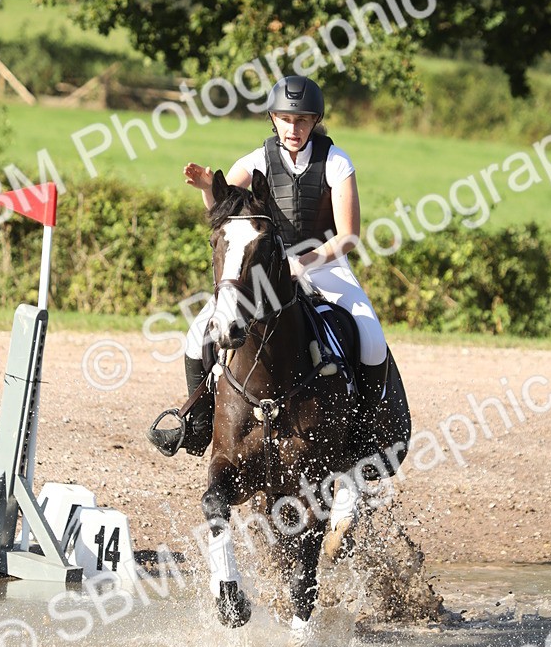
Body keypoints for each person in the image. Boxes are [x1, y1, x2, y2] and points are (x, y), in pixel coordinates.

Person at [148, 74, 389, 459]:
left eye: (302, 121)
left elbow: (348, 236)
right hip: (263, 267)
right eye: (285, 120)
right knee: (198, 336)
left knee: (371, 339)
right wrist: (210, 190)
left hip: (324, 263)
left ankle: (366, 432)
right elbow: (225, 217)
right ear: (273, 119)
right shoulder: (256, 159)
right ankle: (196, 426)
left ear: (314, 121)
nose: (293, 128)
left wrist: (302, 261)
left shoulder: (336, 162)